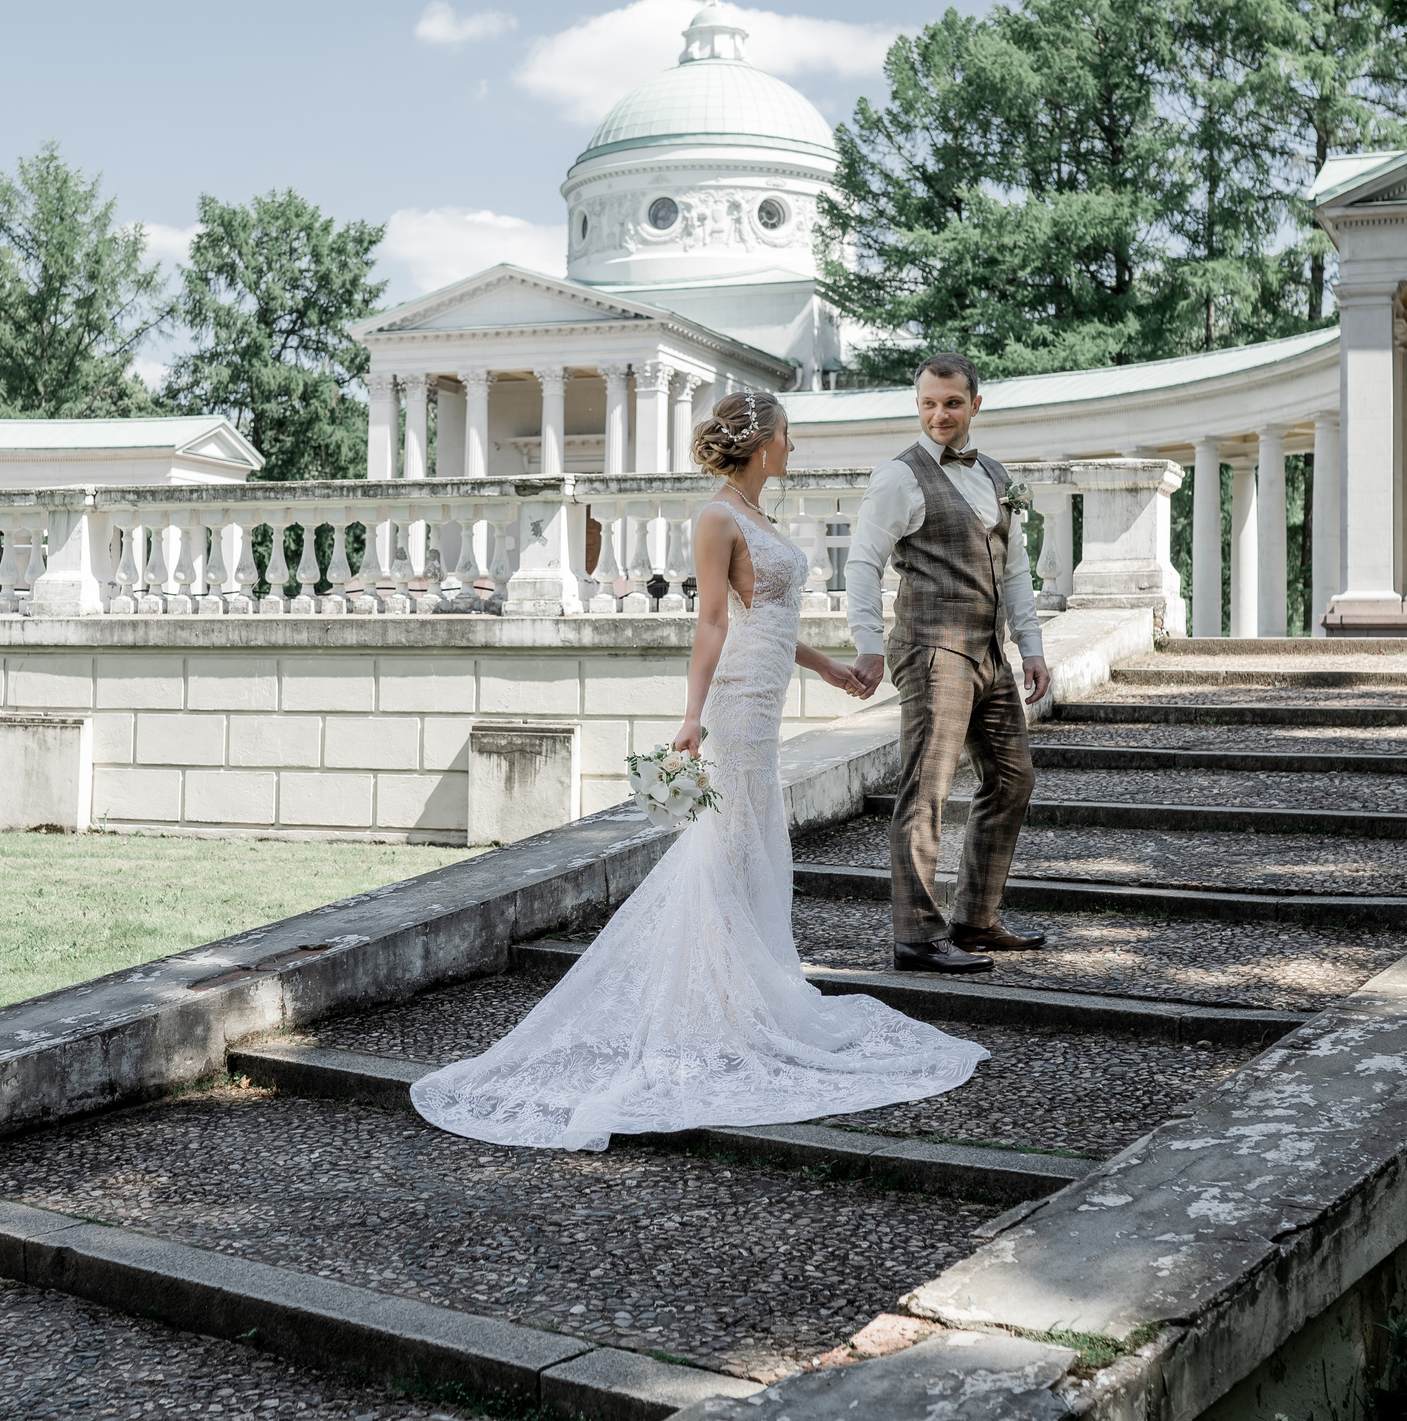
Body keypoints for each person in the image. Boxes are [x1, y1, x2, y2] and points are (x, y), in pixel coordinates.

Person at [410, 391, 988, 1150]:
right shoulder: (717, 517)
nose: (792, 447)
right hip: (737, 702)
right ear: (763, 442)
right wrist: (692, 716)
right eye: (787, 436)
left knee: (751, 842)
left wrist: (829, 670)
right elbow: (712, 620)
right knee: (728, 841)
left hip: (769, 687)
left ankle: (739, 990)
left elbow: (771, 618)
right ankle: (718, 1003)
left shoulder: (763, 516)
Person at [844, 353, 1051, 976]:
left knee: (1013, 780)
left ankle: (976, 918)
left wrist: (1032, 646)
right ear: (917, 405)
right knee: (926, 790)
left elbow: (1013, 569)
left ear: (975, 406)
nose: (939, 414)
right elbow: (861, 563)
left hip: (986, 650)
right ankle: (915, 936)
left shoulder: (994, 473)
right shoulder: (898, 478)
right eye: (929, 403)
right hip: (932, 649)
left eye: (952, 403)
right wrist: (868, 644)